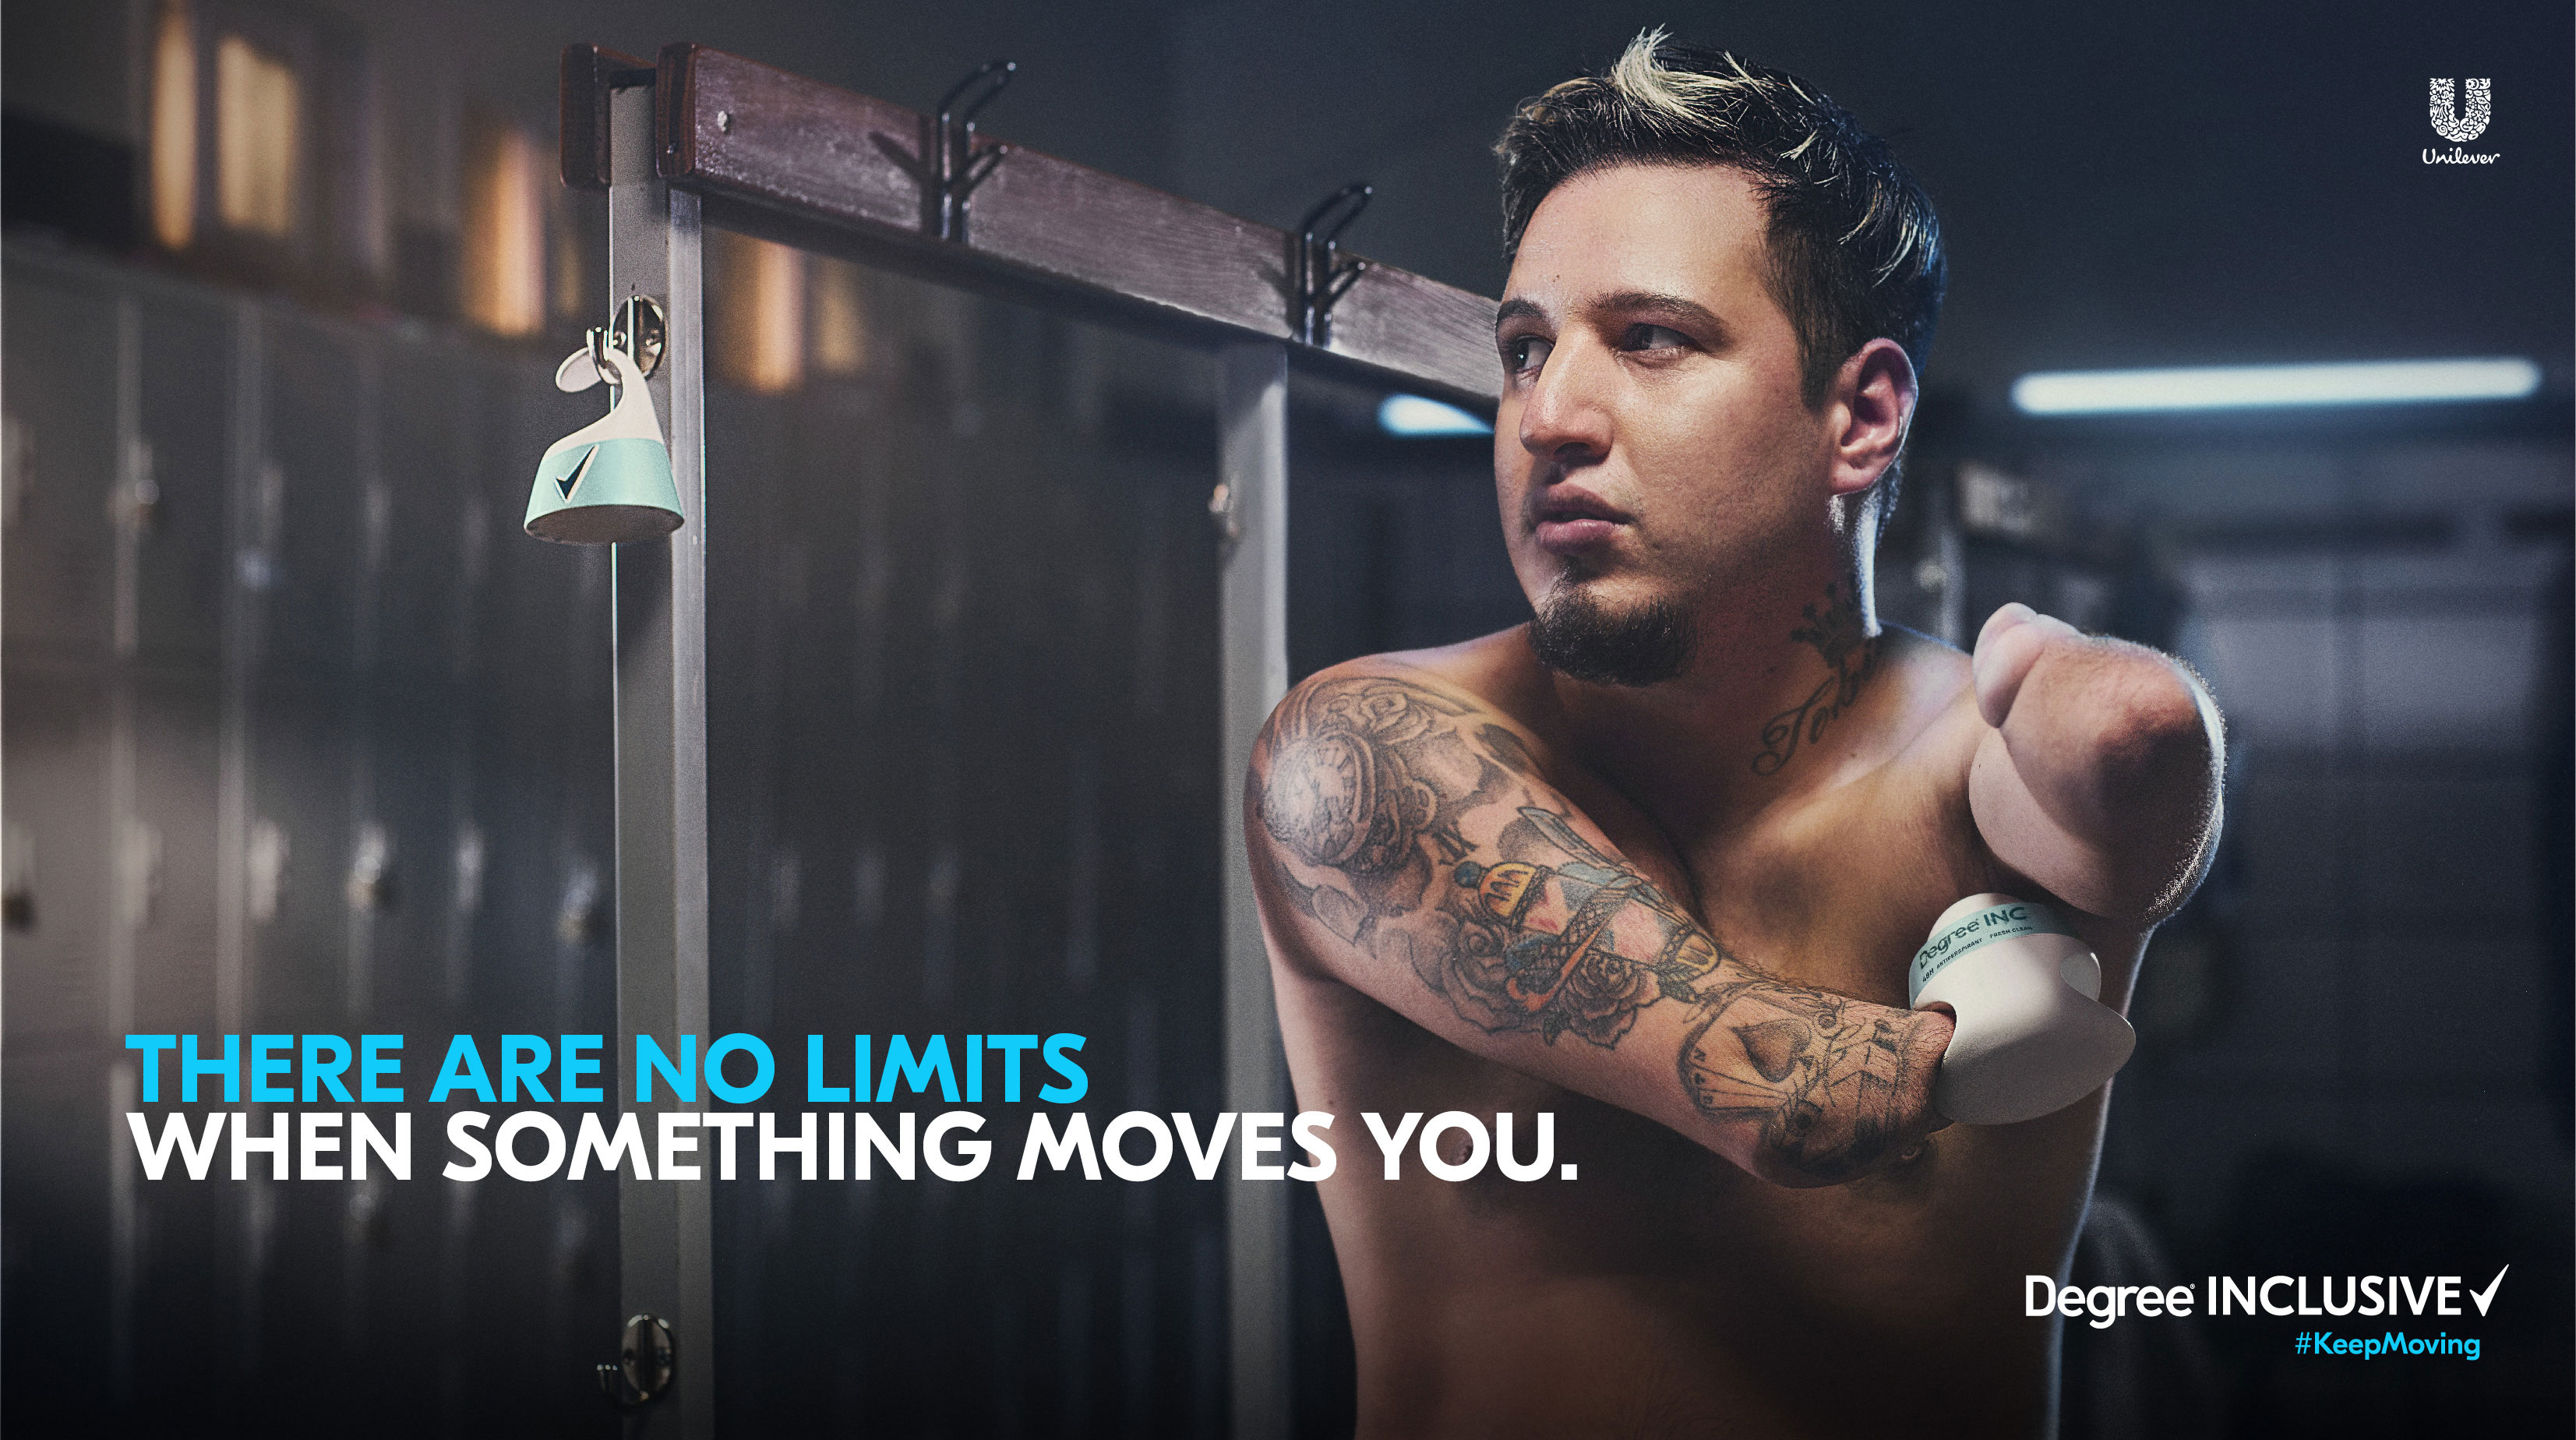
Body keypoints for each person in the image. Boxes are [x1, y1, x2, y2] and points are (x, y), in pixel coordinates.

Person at [1244, 30, 2225, 1438]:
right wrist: (1997, 1032)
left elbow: (2126, 760)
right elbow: (1776, 1094)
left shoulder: (1973, 765)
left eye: (1649, 339)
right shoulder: (1366, 750)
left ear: (1860, 417)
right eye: (1524, 351)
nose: (1548, 416)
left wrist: (2104, 709)